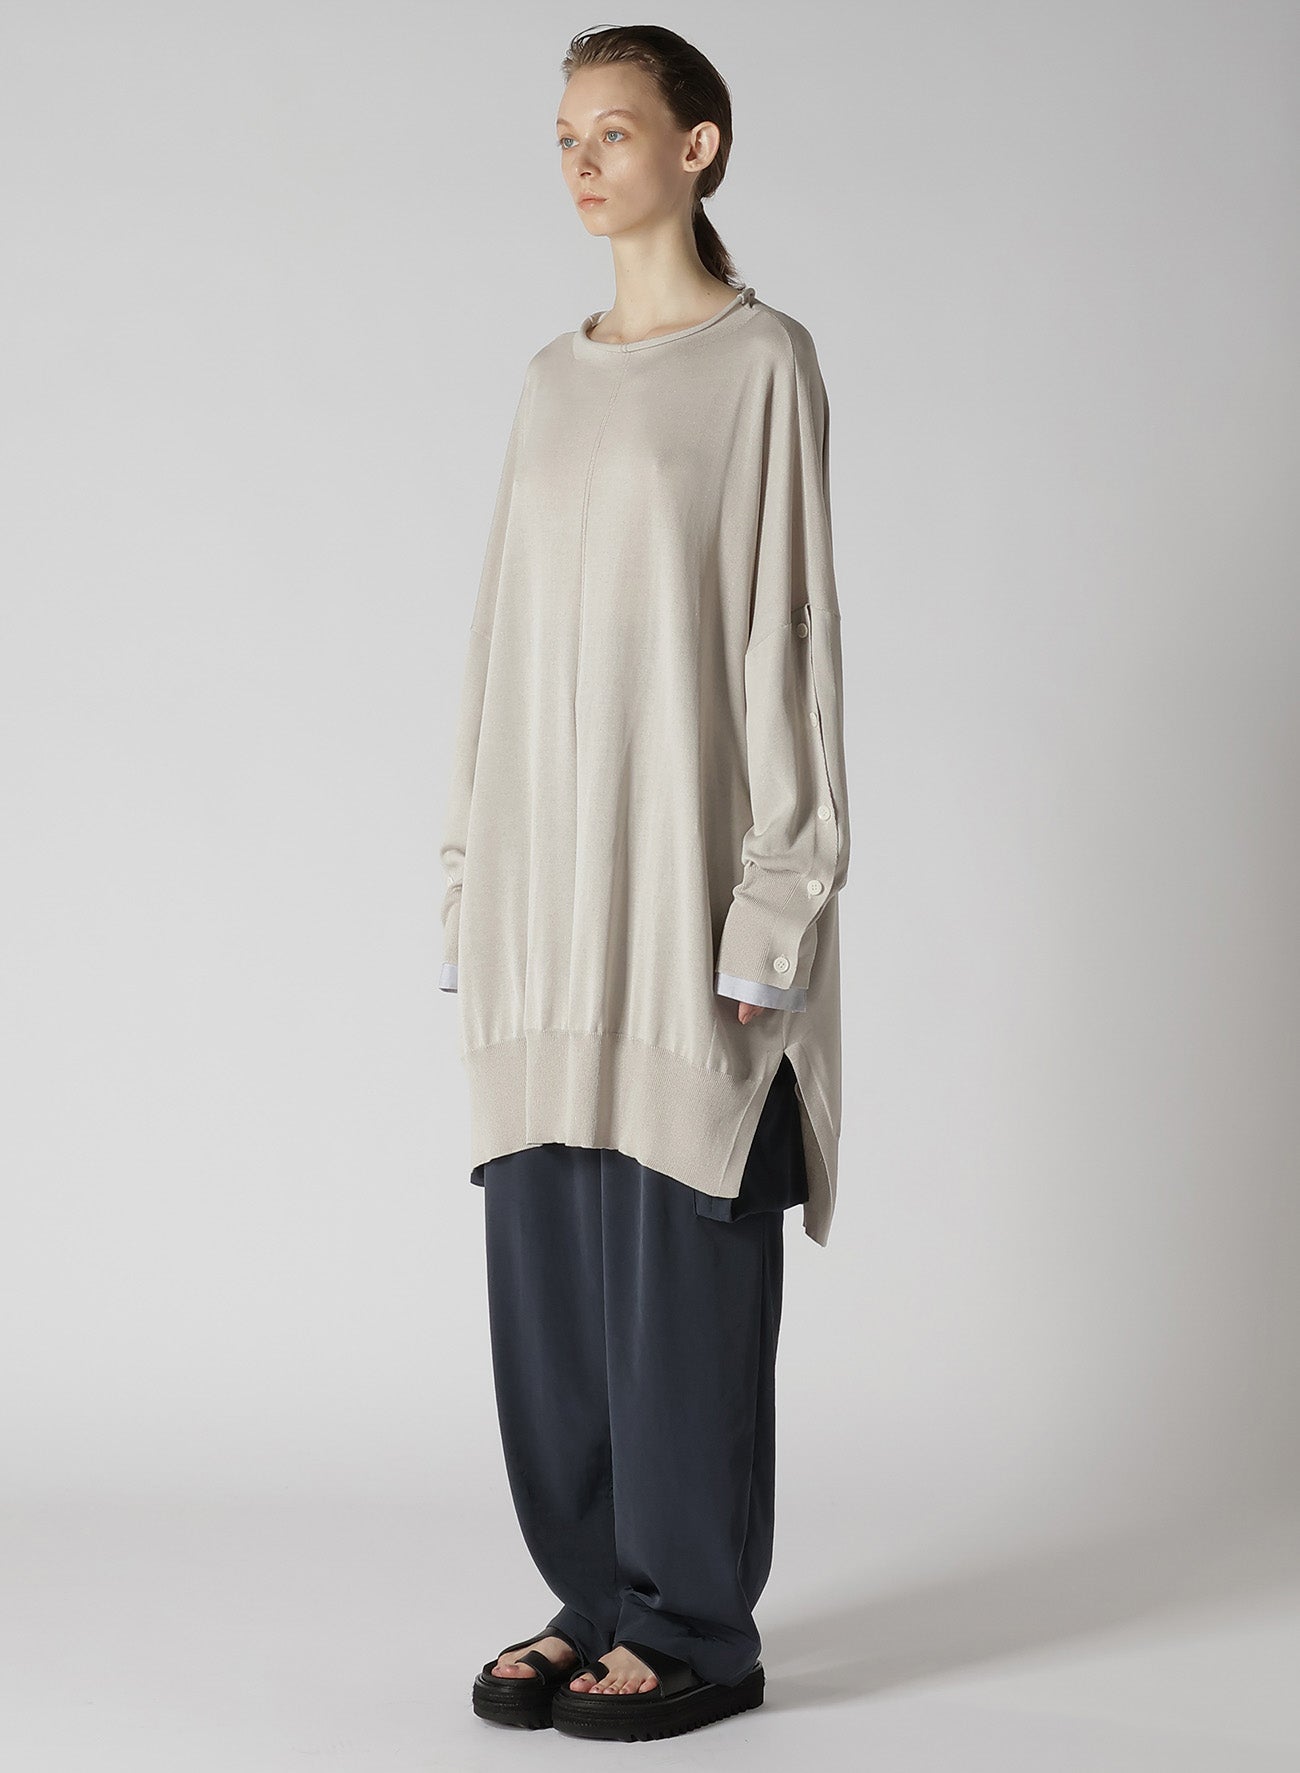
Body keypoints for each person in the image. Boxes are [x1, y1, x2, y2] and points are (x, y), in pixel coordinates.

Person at [440, 24, 851, 1743]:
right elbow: (500, 641)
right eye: (563, 136)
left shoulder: (761, 365)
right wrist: (469, 877)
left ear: (699, 146)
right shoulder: (550, 381)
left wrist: (778, 902)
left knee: (685, 1259)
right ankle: (596, 1597)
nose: (582, 162)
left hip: (687, 891)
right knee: (550, 1269)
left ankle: (695, 1622)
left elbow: (790, 648)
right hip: (548, 899)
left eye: (613, 131)